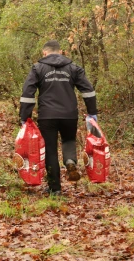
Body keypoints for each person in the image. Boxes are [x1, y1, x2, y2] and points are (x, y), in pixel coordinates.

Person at [19, 40, 98, 195]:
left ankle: (55, 189)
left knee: (50, 150)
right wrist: (92, 111)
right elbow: (88, 90)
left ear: (44, 53)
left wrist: (24, 116)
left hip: (47, 116)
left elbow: (28, 93)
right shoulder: (73, 67)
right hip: (69, 115)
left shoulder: (38, 68)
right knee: (68, 140)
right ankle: (70, 161)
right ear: (61, 52)